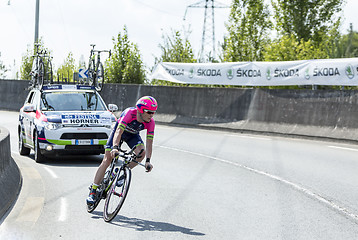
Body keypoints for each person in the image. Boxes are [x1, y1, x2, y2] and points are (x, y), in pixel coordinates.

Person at [86, 96, 158, 205]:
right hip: (119, 132)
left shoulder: (151, 122)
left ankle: (122, 173)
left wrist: (148, 160)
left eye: (154, 112)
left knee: (141, 154)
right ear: (140, 110)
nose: (151, 115)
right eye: (149, 112)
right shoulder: (130, 113)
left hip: (132, 136)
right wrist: (115, 147)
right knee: (107, 159)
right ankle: (93, 190)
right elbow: (118, 131)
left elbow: (149, 143)